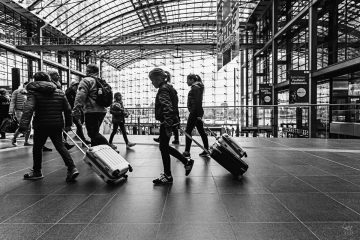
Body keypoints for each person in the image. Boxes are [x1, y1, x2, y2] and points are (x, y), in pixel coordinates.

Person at [18, 71, 79, 181]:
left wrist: (23, 126)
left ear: (35, 80)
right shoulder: (59, 92)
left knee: (37, 148)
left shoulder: (33, 92)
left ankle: (37, 171)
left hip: (41, 124)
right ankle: (72, 168)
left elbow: (28, 109)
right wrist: (68, 124)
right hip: (57, 124)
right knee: (60, 146)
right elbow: (68, 109)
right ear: (49, 79)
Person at [149, 68, 194, 184]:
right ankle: (185, 162)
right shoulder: (169, 88)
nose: (152, 82)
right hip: (170, 121)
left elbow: (168, 108)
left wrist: (168, 126)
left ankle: (168, 176)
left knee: (163, 147)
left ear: (159, 78)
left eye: (153, 79)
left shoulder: (163, 89)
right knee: (164, 147)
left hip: (166, 122)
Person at [73, 64, 113, 148]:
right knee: (95, 133)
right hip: (102, 110)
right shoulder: (101, 81)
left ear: (88, 71)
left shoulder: (86, 80)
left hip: (91, 110)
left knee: (92, 133)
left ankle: (109, 147)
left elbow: (80, 95)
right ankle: (95, 153)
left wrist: (76, 109)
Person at [182, 74, 209, 158]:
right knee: (201, 131)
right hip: (196, 113)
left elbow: (197, 102)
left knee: (188, 131)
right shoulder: (197, 87)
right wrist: (199, 114)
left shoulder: (195, 88)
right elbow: (197, 102)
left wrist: (197, 114)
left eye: (188, 80)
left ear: (192, 80)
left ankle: (187, 152)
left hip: (194, 113)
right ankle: (206, 150)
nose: (186, 82)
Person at [48, 70, 74, 150]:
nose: (59, 76)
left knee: (52, 131)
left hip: (55, 111)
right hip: (52, 110)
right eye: (57, 75)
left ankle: (64, 143)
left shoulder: (57, 85)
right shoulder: (51, 85)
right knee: (53, 131)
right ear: (51, 76)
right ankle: (64, 144)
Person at [64, 79, 91, 145]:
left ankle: (83, 141)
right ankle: (65, 142)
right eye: (76, 85)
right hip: (69, 112)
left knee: (78, 126)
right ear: (72, 86)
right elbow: (70, 103)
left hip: (72, 112)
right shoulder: (69, 93)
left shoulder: (74, 92)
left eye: (77, 85)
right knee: (68, 127)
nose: (77, 87)